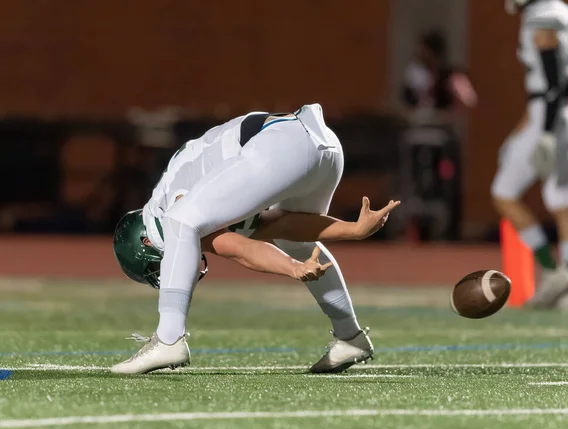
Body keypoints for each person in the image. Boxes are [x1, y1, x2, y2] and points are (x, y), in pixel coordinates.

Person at [112, 104, 400, 374]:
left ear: (145, 242)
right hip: (322, 147)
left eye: (155, 268)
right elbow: (282, 226)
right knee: (299, 246)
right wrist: (353, 230)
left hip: (282, 145)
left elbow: (237, 250)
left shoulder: (159, 217)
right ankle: (350, 337)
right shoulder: (201, 193)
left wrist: (292, 269)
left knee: (181, 221)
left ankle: (168, 338)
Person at [491, 0, 568, 309]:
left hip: (551, 119)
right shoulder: (562, 10)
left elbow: (555, 79)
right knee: (562, 201)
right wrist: (520, 131)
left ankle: (554, 272)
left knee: (504, 193)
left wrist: (544, 131)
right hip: (561, 114)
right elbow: (550, 88)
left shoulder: (542, 16)